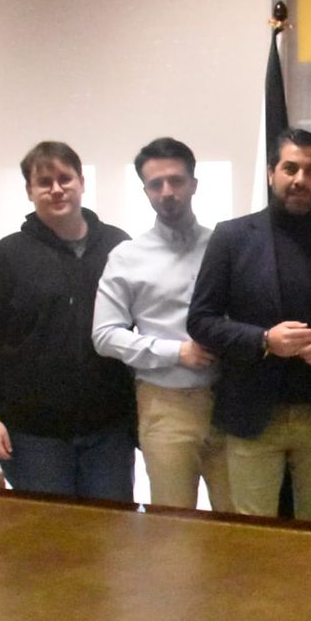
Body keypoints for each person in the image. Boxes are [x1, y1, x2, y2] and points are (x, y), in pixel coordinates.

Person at [187, 128, 311, 522]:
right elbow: (201, 321)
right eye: (290, 168)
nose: (300, 179)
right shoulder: (231, 237)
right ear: (271, 173)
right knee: (255, 536)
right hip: (253, 414)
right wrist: (264, 339)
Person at [0, 141, 135, 501]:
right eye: (44, 182)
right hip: (32, 434)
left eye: (64, 178)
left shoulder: (119, 247)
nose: (56, 189)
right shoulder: (8, 256)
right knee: (50, 540)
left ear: (81, 182)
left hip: (108, 430)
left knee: (111, 534)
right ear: (29, 191)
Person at [92, 137, 229, 510]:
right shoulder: (127, 257)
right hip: (165, 406)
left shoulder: (225, 246)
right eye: (156, 184)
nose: (167, 192)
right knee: (173, 528)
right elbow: (104, 336)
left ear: (194, 184)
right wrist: (175, 352)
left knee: (239, 526)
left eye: (176, 181)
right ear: (146, 191)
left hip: (230, 404)